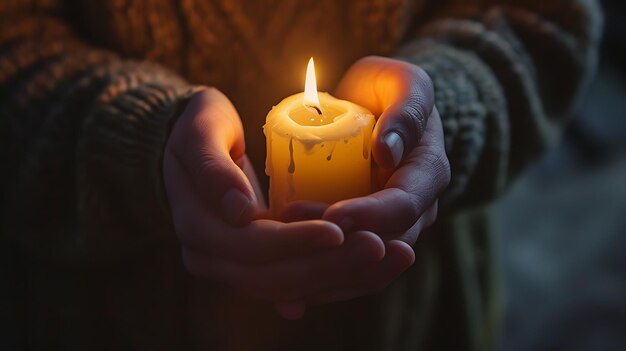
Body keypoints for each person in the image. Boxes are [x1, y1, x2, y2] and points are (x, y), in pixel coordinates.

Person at [0, 1, 602, 350]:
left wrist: (442, 103)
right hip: (97, 317)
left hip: (415, 319)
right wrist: (130, 140)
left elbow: (541, 16)